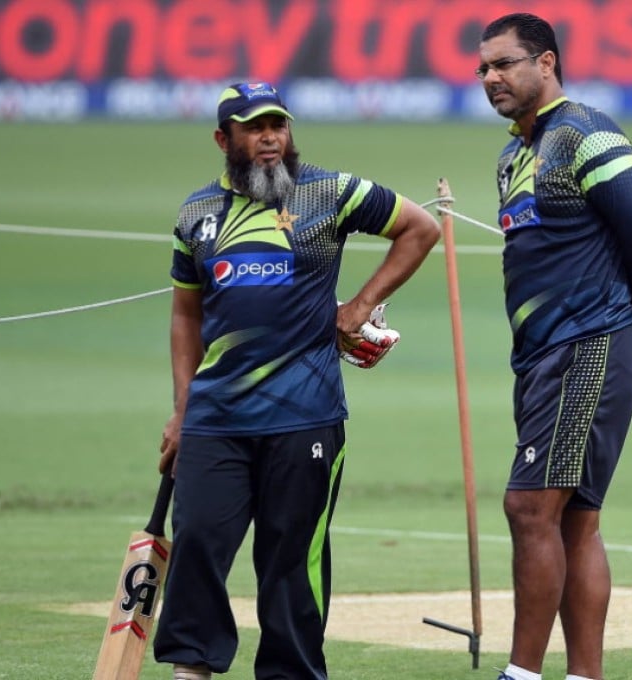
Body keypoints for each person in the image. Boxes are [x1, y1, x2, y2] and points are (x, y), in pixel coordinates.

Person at [152, 81, 441, 680]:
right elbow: (185, 314)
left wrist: (360, 305)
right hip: (216, 419)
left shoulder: (330, 192)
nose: (270, 139)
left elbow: (420, 228)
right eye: (254, 128)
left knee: (291, 562)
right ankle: (191, 669)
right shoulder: (195, 214)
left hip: (305, 415)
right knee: (200, 542)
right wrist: (182, 410)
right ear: (222, 138)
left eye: (278, 126)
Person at [476, 13, 632, 680]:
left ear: (546, 63)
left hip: (588, 345)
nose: (491, 78)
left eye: (505, 63)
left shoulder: (584, 133)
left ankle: (520, 674)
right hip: (546, 355)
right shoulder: (515, 154)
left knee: (529, 506)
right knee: (574, 519)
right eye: (484, 67)